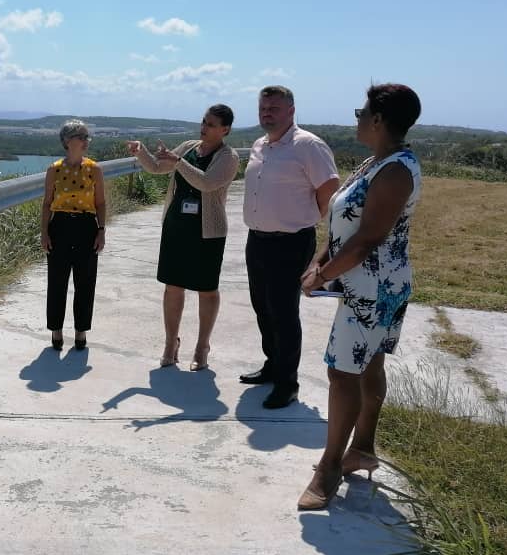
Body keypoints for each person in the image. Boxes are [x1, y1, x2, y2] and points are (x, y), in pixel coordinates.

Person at [298, 83, 423, 510]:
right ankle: (363, 448)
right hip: (367, 281)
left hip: (372, 287)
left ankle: (329, 467)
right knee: (367, 364)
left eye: (361, 110)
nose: (355, 117)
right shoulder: (377, 162)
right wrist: (320, 260)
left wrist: (323, 275)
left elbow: (369, 238)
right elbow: (343, 222)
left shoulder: (396, 171)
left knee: (342, 373)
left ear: (378, 120)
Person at [240, 86, 339, 408]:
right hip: (257, 240)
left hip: (291, 242)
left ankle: (287, 383)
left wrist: (308, 220)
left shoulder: (307, 145)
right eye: (263, 107)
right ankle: (272, 366)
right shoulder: (260, 145)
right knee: (262, 308)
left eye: (274, 108)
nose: (267, 112)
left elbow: (330, 191)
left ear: (291, 111)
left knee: (283, 313)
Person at [126, 104, 239, 371]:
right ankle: (170, 343)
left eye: (211, 124)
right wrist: (141, 152)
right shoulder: (189, 147)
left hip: (208, 231)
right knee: (173, 286)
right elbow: (156, 168)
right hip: (177, 225)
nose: (204, 127)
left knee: (206, 290)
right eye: (203, 121)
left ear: (225, 130)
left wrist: (178, 162)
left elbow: (207, 182)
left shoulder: (229, 156)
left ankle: (202, 346)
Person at [41, 119, 106, 351]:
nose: (87, 141)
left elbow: (100, 203)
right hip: (59, 225)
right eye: (83, 136)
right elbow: (47, 203)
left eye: (87, 137)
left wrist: (101, 230)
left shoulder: (94, 169)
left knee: (85, 281)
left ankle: (81, 330)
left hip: (87, 226)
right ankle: (56, 330)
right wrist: (44, 232)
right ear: (69, 141)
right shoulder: (54, 169)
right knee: (57, 280)